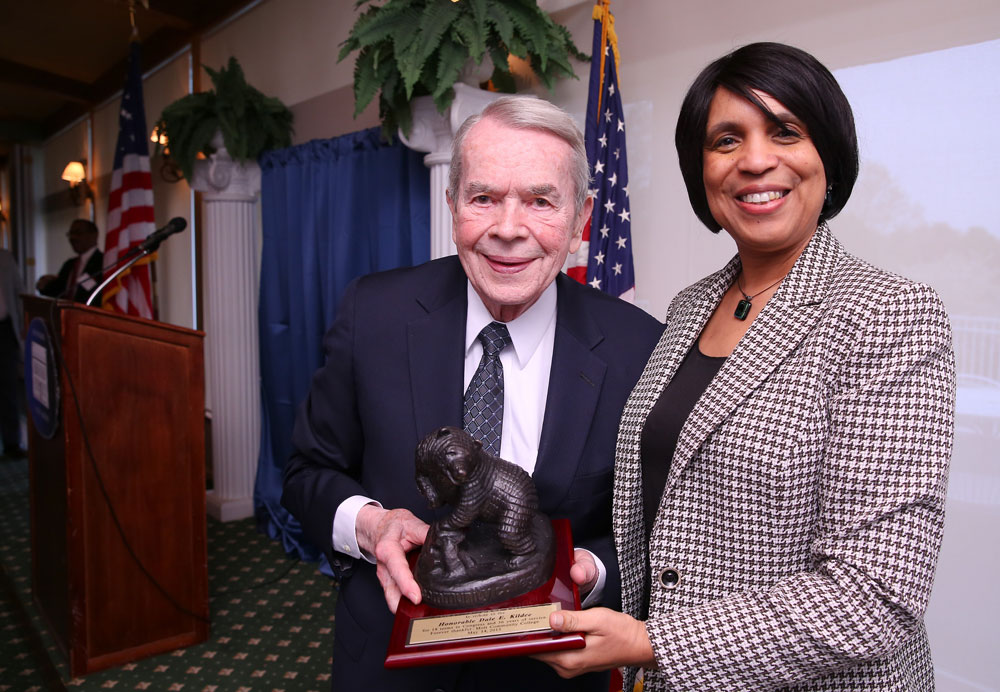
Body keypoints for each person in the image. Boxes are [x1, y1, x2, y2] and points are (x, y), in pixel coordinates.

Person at [537, 42, 955, 691]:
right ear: (701, 169)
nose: (756, 160)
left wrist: (654, 641)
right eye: (726, 140)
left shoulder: (890, 315)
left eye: (785, 132)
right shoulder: (689, 308)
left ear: (829, 157)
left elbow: (876, 594)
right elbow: (668, 505)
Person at [281, 96, 664, 692]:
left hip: (550, 677)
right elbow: (308, 471)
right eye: (484, 197)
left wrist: (591, 573)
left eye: (541, 201)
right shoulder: (372, 314)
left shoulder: (639, 345)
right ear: (453, 202)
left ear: (583, 217)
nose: (508, 229)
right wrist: (369, 524)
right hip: (386, 663)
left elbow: (656, 524)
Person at [36, 218, 103, 303]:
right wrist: (44, 285)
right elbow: (59, 291)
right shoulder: (69, 264)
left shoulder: (103, 262)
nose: (72, 238)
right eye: (70, 234)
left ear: (94, 235)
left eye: (78, 233)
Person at [0, 248, 25, 458]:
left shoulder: (6, 257)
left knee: (9, 390)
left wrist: (23, 323)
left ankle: (12, 443)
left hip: (5, 330)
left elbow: (19, 292)